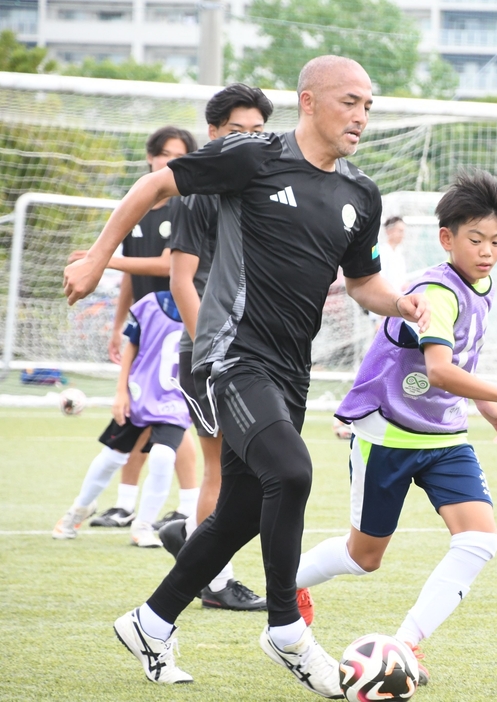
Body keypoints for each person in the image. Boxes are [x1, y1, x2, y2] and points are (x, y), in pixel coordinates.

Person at [63, 55, 429, 697]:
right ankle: (287, 628)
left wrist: (401, 302)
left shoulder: (360, 194)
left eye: (369, 105)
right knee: (291, 472)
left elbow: (364, 280)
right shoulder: (252, 157)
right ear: (309, 102)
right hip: (229, 356)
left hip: (291, 371)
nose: (362, 116)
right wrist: (98, 259)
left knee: (240, 510)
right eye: (351, 102)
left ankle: (150, 620)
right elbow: (154, 188)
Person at [294, 170, 497, 686]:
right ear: (447, 237)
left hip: (443, 437)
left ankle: (405, 645)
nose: (487, 251)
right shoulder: (435, 290)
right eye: (475, 240)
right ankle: (286, 585)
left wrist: (480, 405)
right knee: (363, 557)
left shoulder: (482, 285)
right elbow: (437, 368)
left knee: (480, 540)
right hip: (389, 434)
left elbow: (458, 360)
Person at [161, 83, 274, 612]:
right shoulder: (198, 191)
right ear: (212, 133)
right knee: (223, 471)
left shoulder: (251, 189)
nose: (248, 141)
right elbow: (181, 280)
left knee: (243, 470)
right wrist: (209, 352)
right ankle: (216, 581)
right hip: (209, 355)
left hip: (246, 353)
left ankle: (189, 534)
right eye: (236, 132)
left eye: (257, 132)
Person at [57, 127, 200, 545]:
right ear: (150, 157)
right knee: (134, 427)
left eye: (179, 156)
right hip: (144, 330)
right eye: (163, 154)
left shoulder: (186, 209)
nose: (168, 162)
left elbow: (166, 267)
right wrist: (120, 327)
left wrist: (104, 258)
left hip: (177, 329)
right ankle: (118, 504)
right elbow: (128, 280)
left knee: (174, 427)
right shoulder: (137, 208)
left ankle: (185, 510)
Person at [53, 290, 192, 547]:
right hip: (141, 392)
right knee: (113, 456)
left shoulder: (211, 304)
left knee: (163, 456)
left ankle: (143, 527)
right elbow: (132, 347)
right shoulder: (152, 303)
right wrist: (121, 391)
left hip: (176, 398)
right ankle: (78, 510)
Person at [379, 216, 407, 292]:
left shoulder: (399, 254)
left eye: (403, 231)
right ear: (389, 231)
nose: (402, 235)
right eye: (400, 231)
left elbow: (401, 282)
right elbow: (380, 280)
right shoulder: (382, 252)